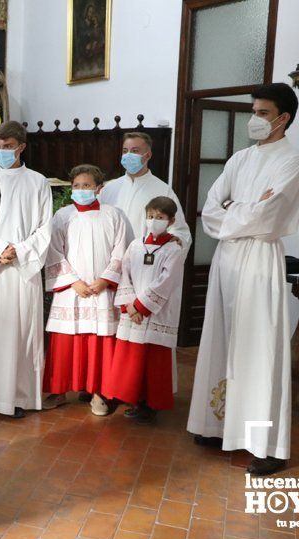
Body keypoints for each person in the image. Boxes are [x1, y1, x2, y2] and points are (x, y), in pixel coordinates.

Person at [187, 83, 299, 476]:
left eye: (262, 113)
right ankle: (216, 425)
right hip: (228, 260)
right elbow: (209, 211)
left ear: (283, 118)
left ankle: (267, 445)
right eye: (253, 111)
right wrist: (245, 210)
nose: (254, 119)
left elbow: (266, 218)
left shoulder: (292, 161)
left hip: (259, 260)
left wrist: (235, 212)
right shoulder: (239, 159)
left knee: (258, 347)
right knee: (221, 337)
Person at [100, 131, 191, 415]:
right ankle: (112, 390)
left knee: (142, 343)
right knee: (113, 336)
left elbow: (180, 233)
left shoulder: (162, 190)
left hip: (144, 278)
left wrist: (170, 245)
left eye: (136, 150)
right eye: (125, 149)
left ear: (148, 154)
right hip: (113, 273)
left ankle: (143, 398)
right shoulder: (110, 188)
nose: (129, 155)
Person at [43, 164, 129, 415]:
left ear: (99, 188)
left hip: (102, 289)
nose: (81, 190)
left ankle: (99, 392)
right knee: (66, 342)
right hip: (72, 290)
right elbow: (54, 251)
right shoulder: (63, 216)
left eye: (87, 186)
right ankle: (59, 390)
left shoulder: (114, 215)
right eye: (77, 186)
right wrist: (73, 281)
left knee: (100, 341)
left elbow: (122, 250)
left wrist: (105, 279)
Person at [0, 121, 52, 418]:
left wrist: (18, 251)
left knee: (20, 334)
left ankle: (16, 397)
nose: (1, 152)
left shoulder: (37, 182)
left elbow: (45, 227)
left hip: (22, 269)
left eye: (7, 147)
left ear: (21, 147)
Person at [105, 197, 185, 424]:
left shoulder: (173, 249)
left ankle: (151, 404)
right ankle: (132, 398)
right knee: (132, 359)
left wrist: (141, 306)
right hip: (133, 311)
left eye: (160, 218)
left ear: (171, 220)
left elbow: (166, 281)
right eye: (151, 216)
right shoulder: (135, 245)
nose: (154, 221)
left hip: (155, 311)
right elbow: (125, 274)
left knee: (153, 361)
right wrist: (130, 305)